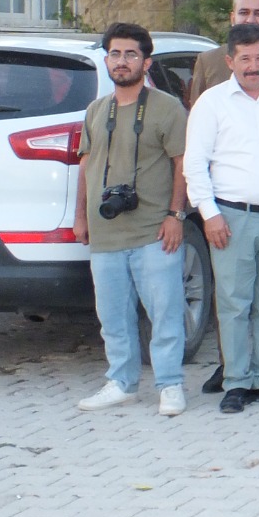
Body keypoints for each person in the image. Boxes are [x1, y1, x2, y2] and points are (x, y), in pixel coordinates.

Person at [185, 23, 259, 415]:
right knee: (234, 304)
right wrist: (210, 215)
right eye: (245, 59)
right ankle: (236, 382)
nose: (253, 66)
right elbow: (194, 164)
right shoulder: (211, 104)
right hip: (231, 219)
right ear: (230, 61)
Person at [74, 23, 191, 417]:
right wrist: (80, 217)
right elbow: (86, 165)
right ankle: (120, 383)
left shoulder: (167, 108)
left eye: (130, 54)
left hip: (153, 231)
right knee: (112, 317)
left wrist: (176, 215)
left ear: (146, 62)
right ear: (107, 59)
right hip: (106, 233)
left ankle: (170, 385)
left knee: (165, 314)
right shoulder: (95, 110)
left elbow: (182, 164)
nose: (121, 61)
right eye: (115, 54)